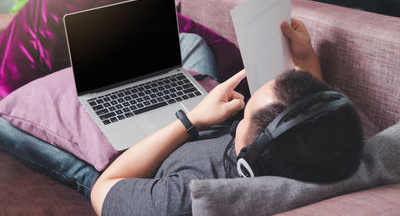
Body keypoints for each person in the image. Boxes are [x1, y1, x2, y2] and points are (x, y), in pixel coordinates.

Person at [90, 18, 364, 215]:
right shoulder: (331, 154)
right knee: (190, 43)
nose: (239, 120)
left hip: (144, 156)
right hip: (204, 122)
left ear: (249, 159)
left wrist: (192, 119)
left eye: (245, 117)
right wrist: (305, 61)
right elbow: (306, 127)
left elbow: (104, 188)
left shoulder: (185, 198)